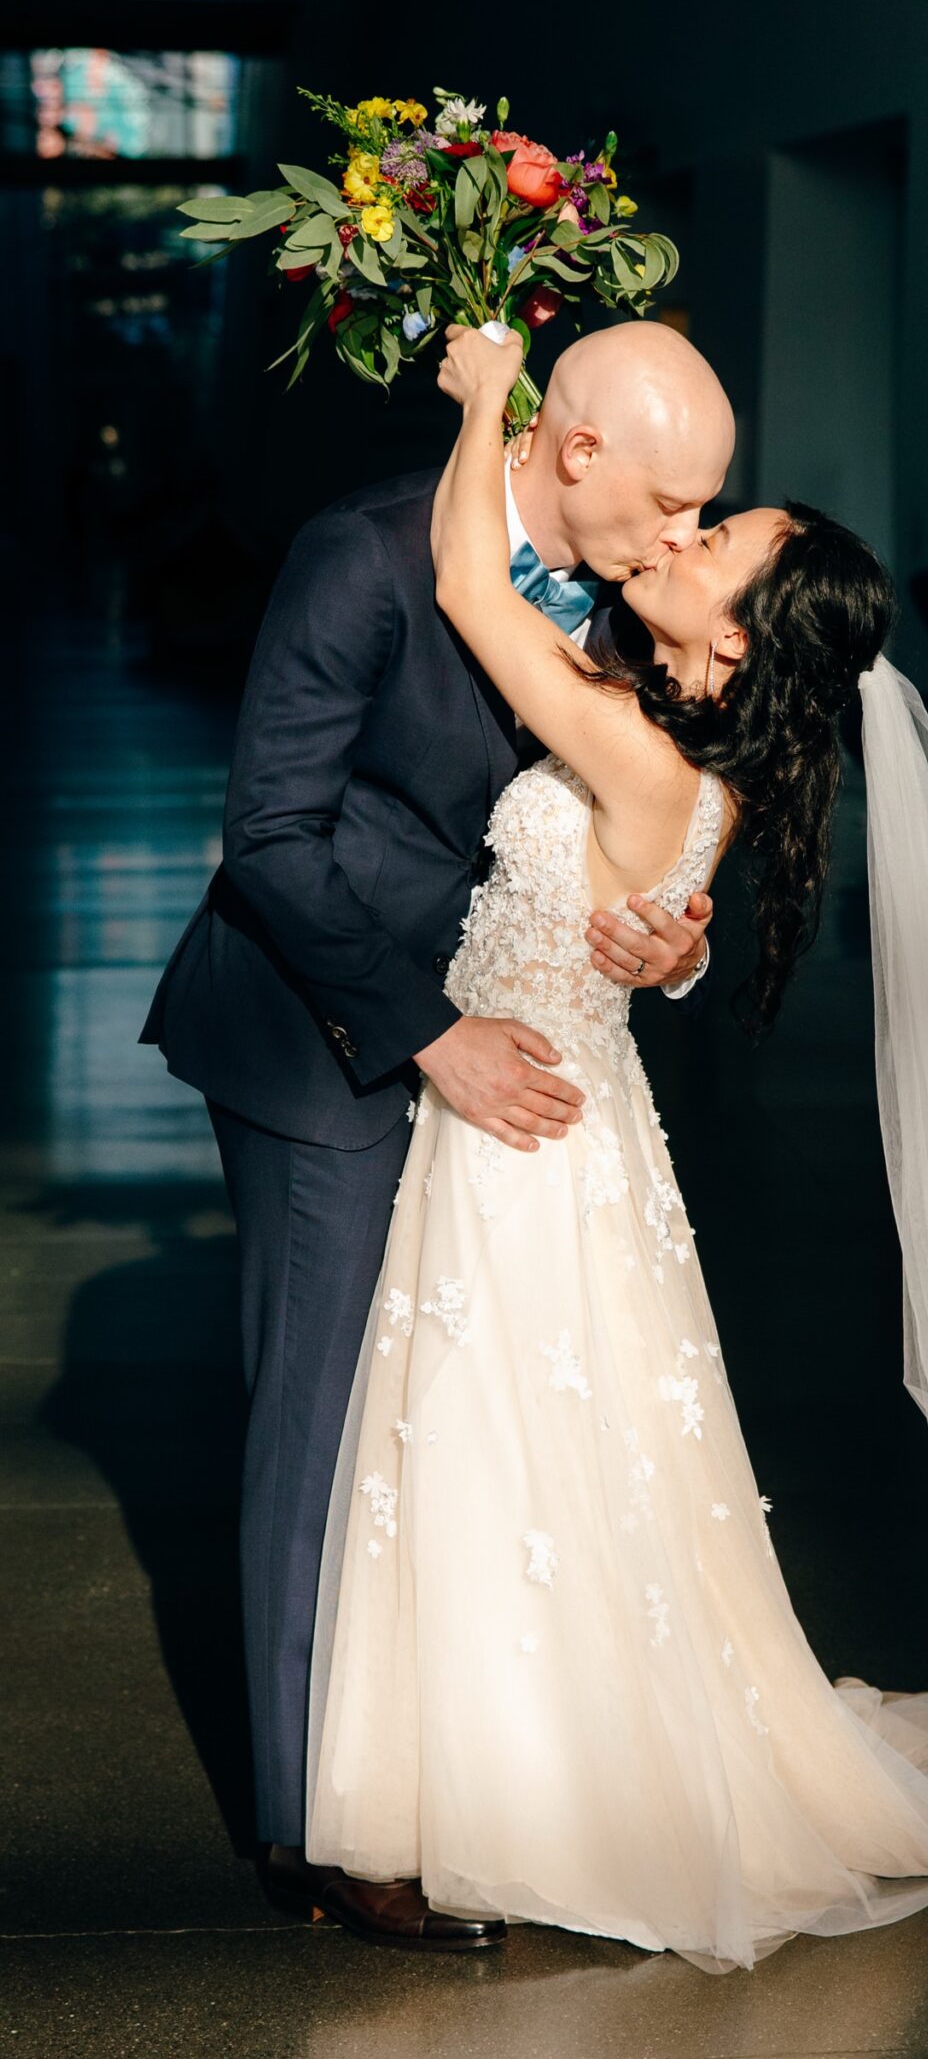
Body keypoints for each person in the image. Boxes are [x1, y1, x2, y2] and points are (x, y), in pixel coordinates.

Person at [302, 324, 928, 1974]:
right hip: (565, 1127)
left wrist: (490, 397)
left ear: (739, 639)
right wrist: (675, 941)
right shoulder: (678, 751)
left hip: (527, 1141)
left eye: (720, 545)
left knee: (503, 1447)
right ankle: (508, 1764)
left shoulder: (645, 757)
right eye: (706, 517)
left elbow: (479, 599)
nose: (687, 537)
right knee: (548, 1464)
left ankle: (524, 1790)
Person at [142, 321, 737, 1947]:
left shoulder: (626, 588)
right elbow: (269, 833)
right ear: (575, 447)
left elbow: (637, 809)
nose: (689, 533)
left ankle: (454, 1767)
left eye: (710, 508)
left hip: (508, 1043)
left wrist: (666, 933)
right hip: (318, 1040)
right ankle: (314, 1832)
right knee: (325, 1423)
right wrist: (427, 1033)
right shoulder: (368, 555)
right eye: (674, 495)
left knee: (446, 1433)